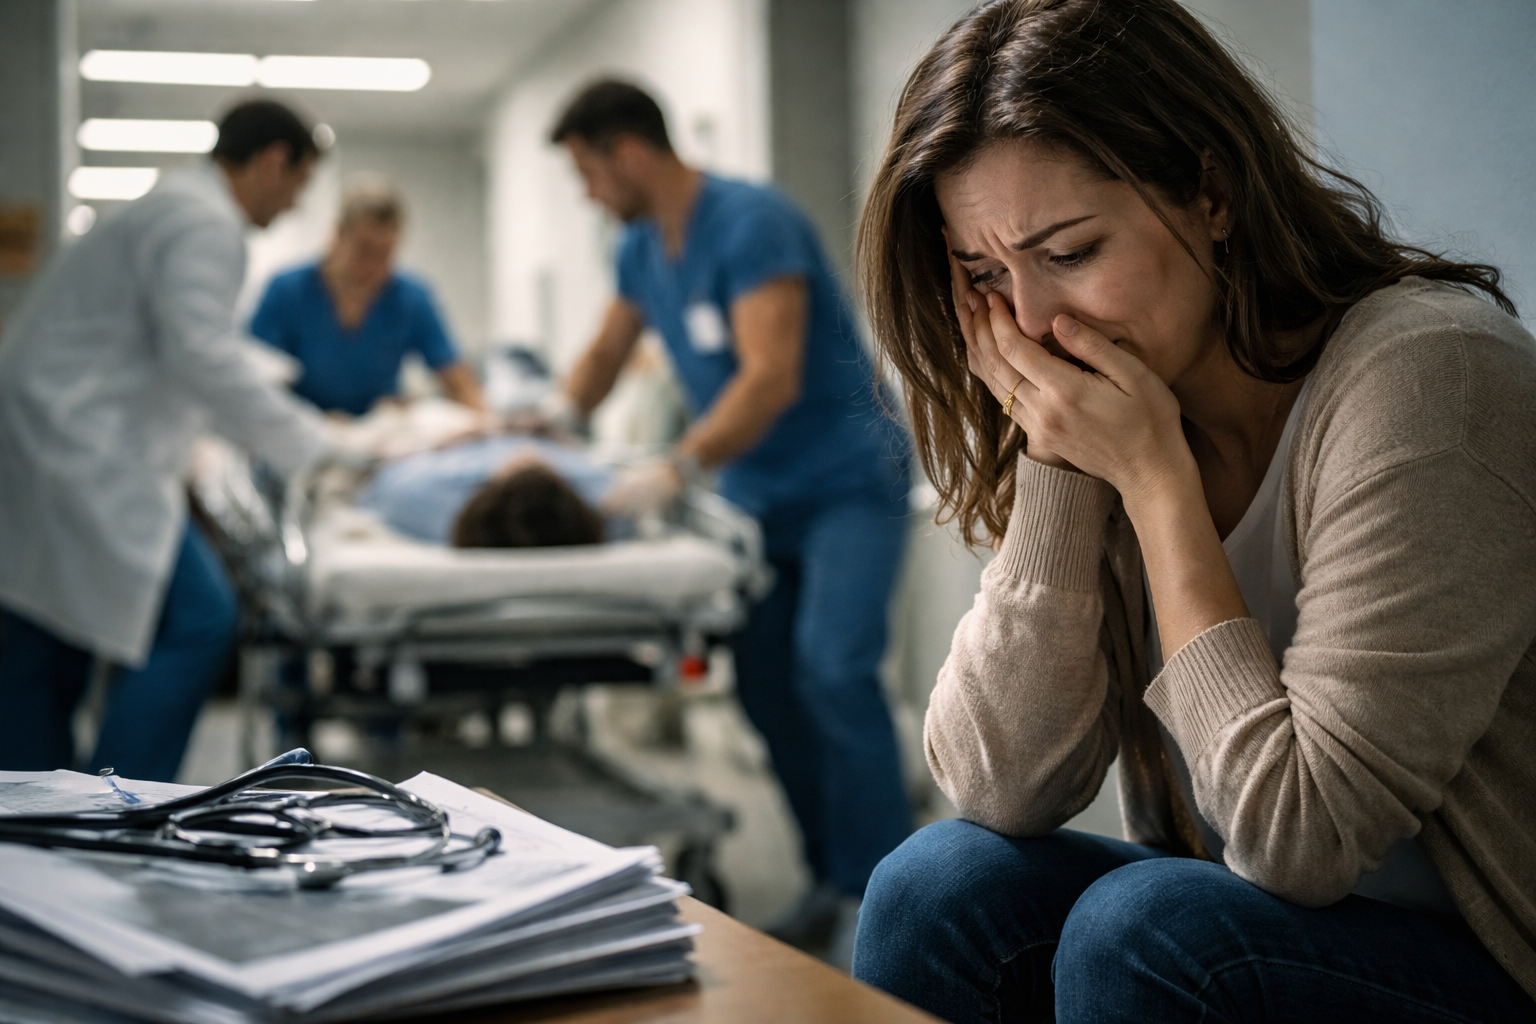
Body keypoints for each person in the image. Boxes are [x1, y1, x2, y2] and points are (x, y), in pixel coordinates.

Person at [848, 1, 1536, 1021]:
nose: (1033, 324)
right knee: (936, 887)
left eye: (1070, 252)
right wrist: (1059, 459)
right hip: (1271, 929)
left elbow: (1297, 838)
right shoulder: (1116, 393)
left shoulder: (1434, 378)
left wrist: (1157, 483)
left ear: (1212, 192)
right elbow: (1003, 786)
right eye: (988, 275)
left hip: (1487, 960)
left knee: (1150, 929)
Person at [548, 80, 912, 962]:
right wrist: (549, 428)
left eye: (588, 172)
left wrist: (676, 466)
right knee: (764, 688)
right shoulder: (639, 246)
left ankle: (891, 898)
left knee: (833, 671)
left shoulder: (752, 223)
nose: (587, 192)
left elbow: (768, 377)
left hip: (845, 482)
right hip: (757, 495)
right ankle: (832, 875)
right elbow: (605, 351)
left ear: (629, 151)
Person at [0, 100, 335, 783]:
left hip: (48, 440)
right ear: (275, 160)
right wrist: (317, 446)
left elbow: (171, 344)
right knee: (201, 618)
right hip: (81, 451)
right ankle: (115, 807)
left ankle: (37, 830)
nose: (295, 204)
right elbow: (201, 357)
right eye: (299, 183)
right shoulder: (207, 224)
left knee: (40, 646)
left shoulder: (170, 209)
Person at [250, 175, 485, 417]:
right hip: (300, 434)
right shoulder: (287, 291)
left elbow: (458, 381)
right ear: (337, 235)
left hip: (378, 440)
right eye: (364, 250)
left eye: (385, 254)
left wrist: (491, 431)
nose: (373, 266)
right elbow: (255, 383)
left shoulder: (410, 298)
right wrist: (314, 426)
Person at [356, 434, 612, 547]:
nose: (526, 457)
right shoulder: (600, 501)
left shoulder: (424, 504)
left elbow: (390, 475)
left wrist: (458, 440)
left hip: (443, 441)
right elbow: (618, 494)